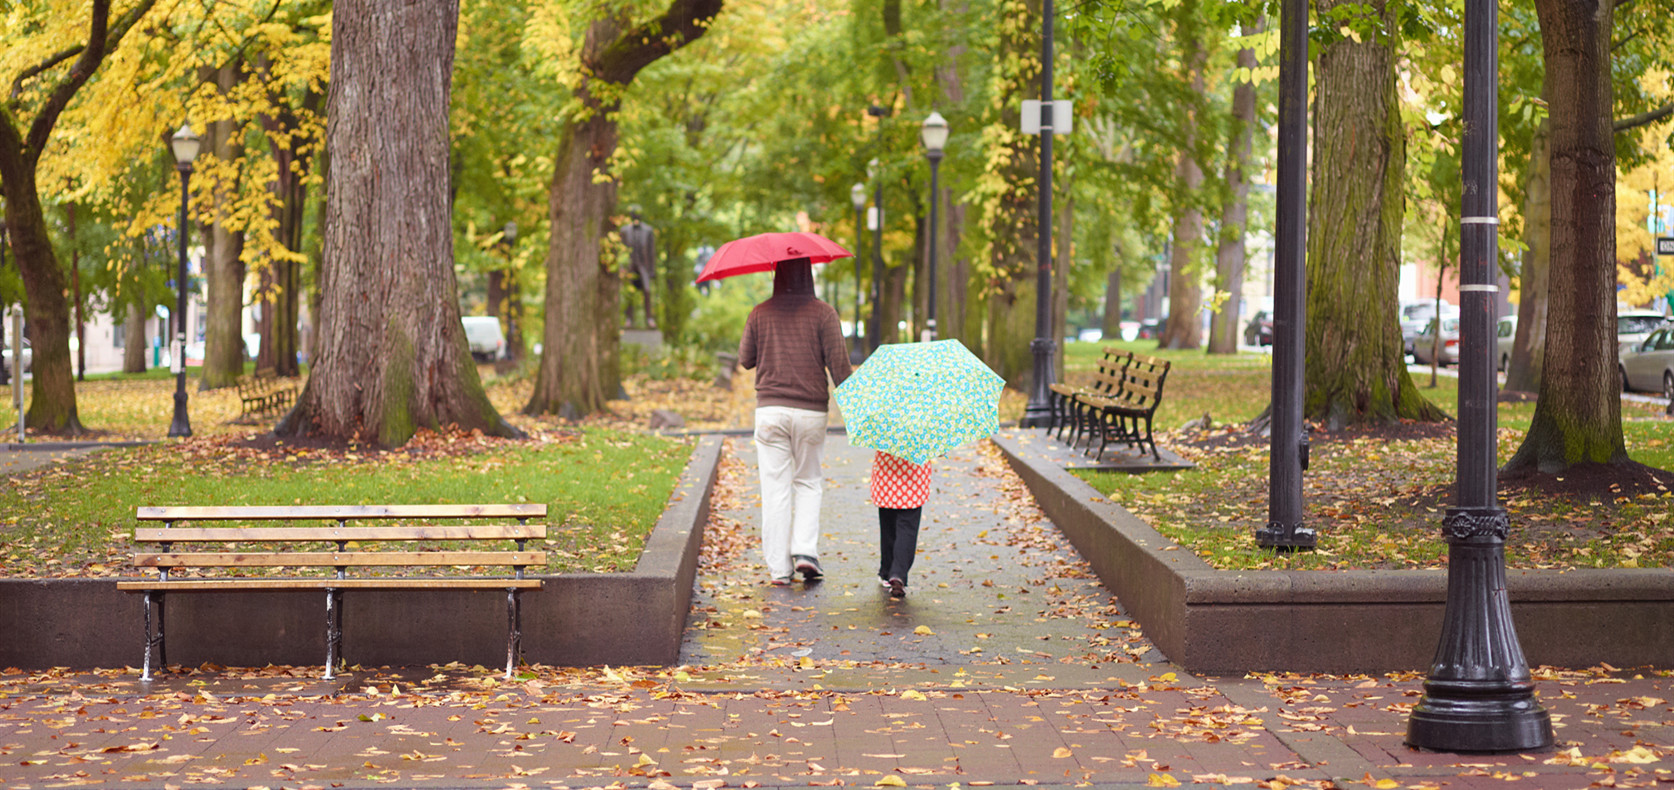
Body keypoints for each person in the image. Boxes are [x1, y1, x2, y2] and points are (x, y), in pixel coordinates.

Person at [738, 258, 853, 585]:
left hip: (770, 411)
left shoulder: (759, 313)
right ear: (807, 275)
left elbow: (745, 360)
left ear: (778, 274)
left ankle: (778, 569)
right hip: (810, 412)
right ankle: (804, 552)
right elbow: (840, 369)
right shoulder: (824, 313)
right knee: (808, 481)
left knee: (775, 489)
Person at [871, 451, 931, 598]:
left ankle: (886, 571)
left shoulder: (883, 427)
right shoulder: (924, 429)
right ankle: (898, 573)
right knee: (907, 528)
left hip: (886, 477)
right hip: (914, 479)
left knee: (887, 526)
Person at [620, 210, 657, 329]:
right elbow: (621, 250)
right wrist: (622, 268)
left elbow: (651, 251)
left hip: (643, 265)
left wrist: (652, 270)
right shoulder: (625, 231)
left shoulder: (648, 230)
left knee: (646, 290)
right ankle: (629, 319)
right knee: (629, 292)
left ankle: (649, 318)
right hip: (630, 266)